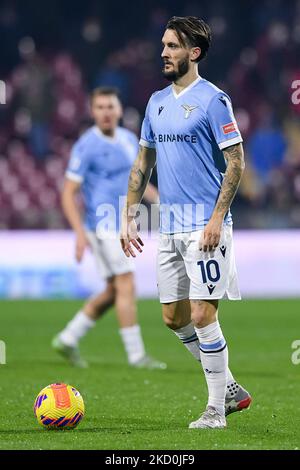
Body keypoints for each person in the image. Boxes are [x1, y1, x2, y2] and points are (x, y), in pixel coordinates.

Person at [121, 16, 252, 429]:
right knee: (173, 319)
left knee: (201, 314)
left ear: (194, 53)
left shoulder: (214, 100)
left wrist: (217, 218)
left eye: (173, 46)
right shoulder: (156, 102)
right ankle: (230, 386)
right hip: (170, 229)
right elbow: (144, 161)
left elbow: (236, 161)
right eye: (163, 45)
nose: (163, 52)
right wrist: (129, 215)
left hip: (206, 227)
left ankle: (216, 410)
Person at [52, 86, 165, 370]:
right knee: (127, 283)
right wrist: (79, 233)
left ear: (118, 109)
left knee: (114, 290)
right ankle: (137, 355)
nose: (105, 112)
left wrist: (160, 201)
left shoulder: (129, 140)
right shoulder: (86, 145)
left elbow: (138, 179)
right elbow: (68, 193)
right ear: (92, 111)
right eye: (100, 107)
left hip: (123, 223)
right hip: (104, 226)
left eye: (110, 106)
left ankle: (68, 337)